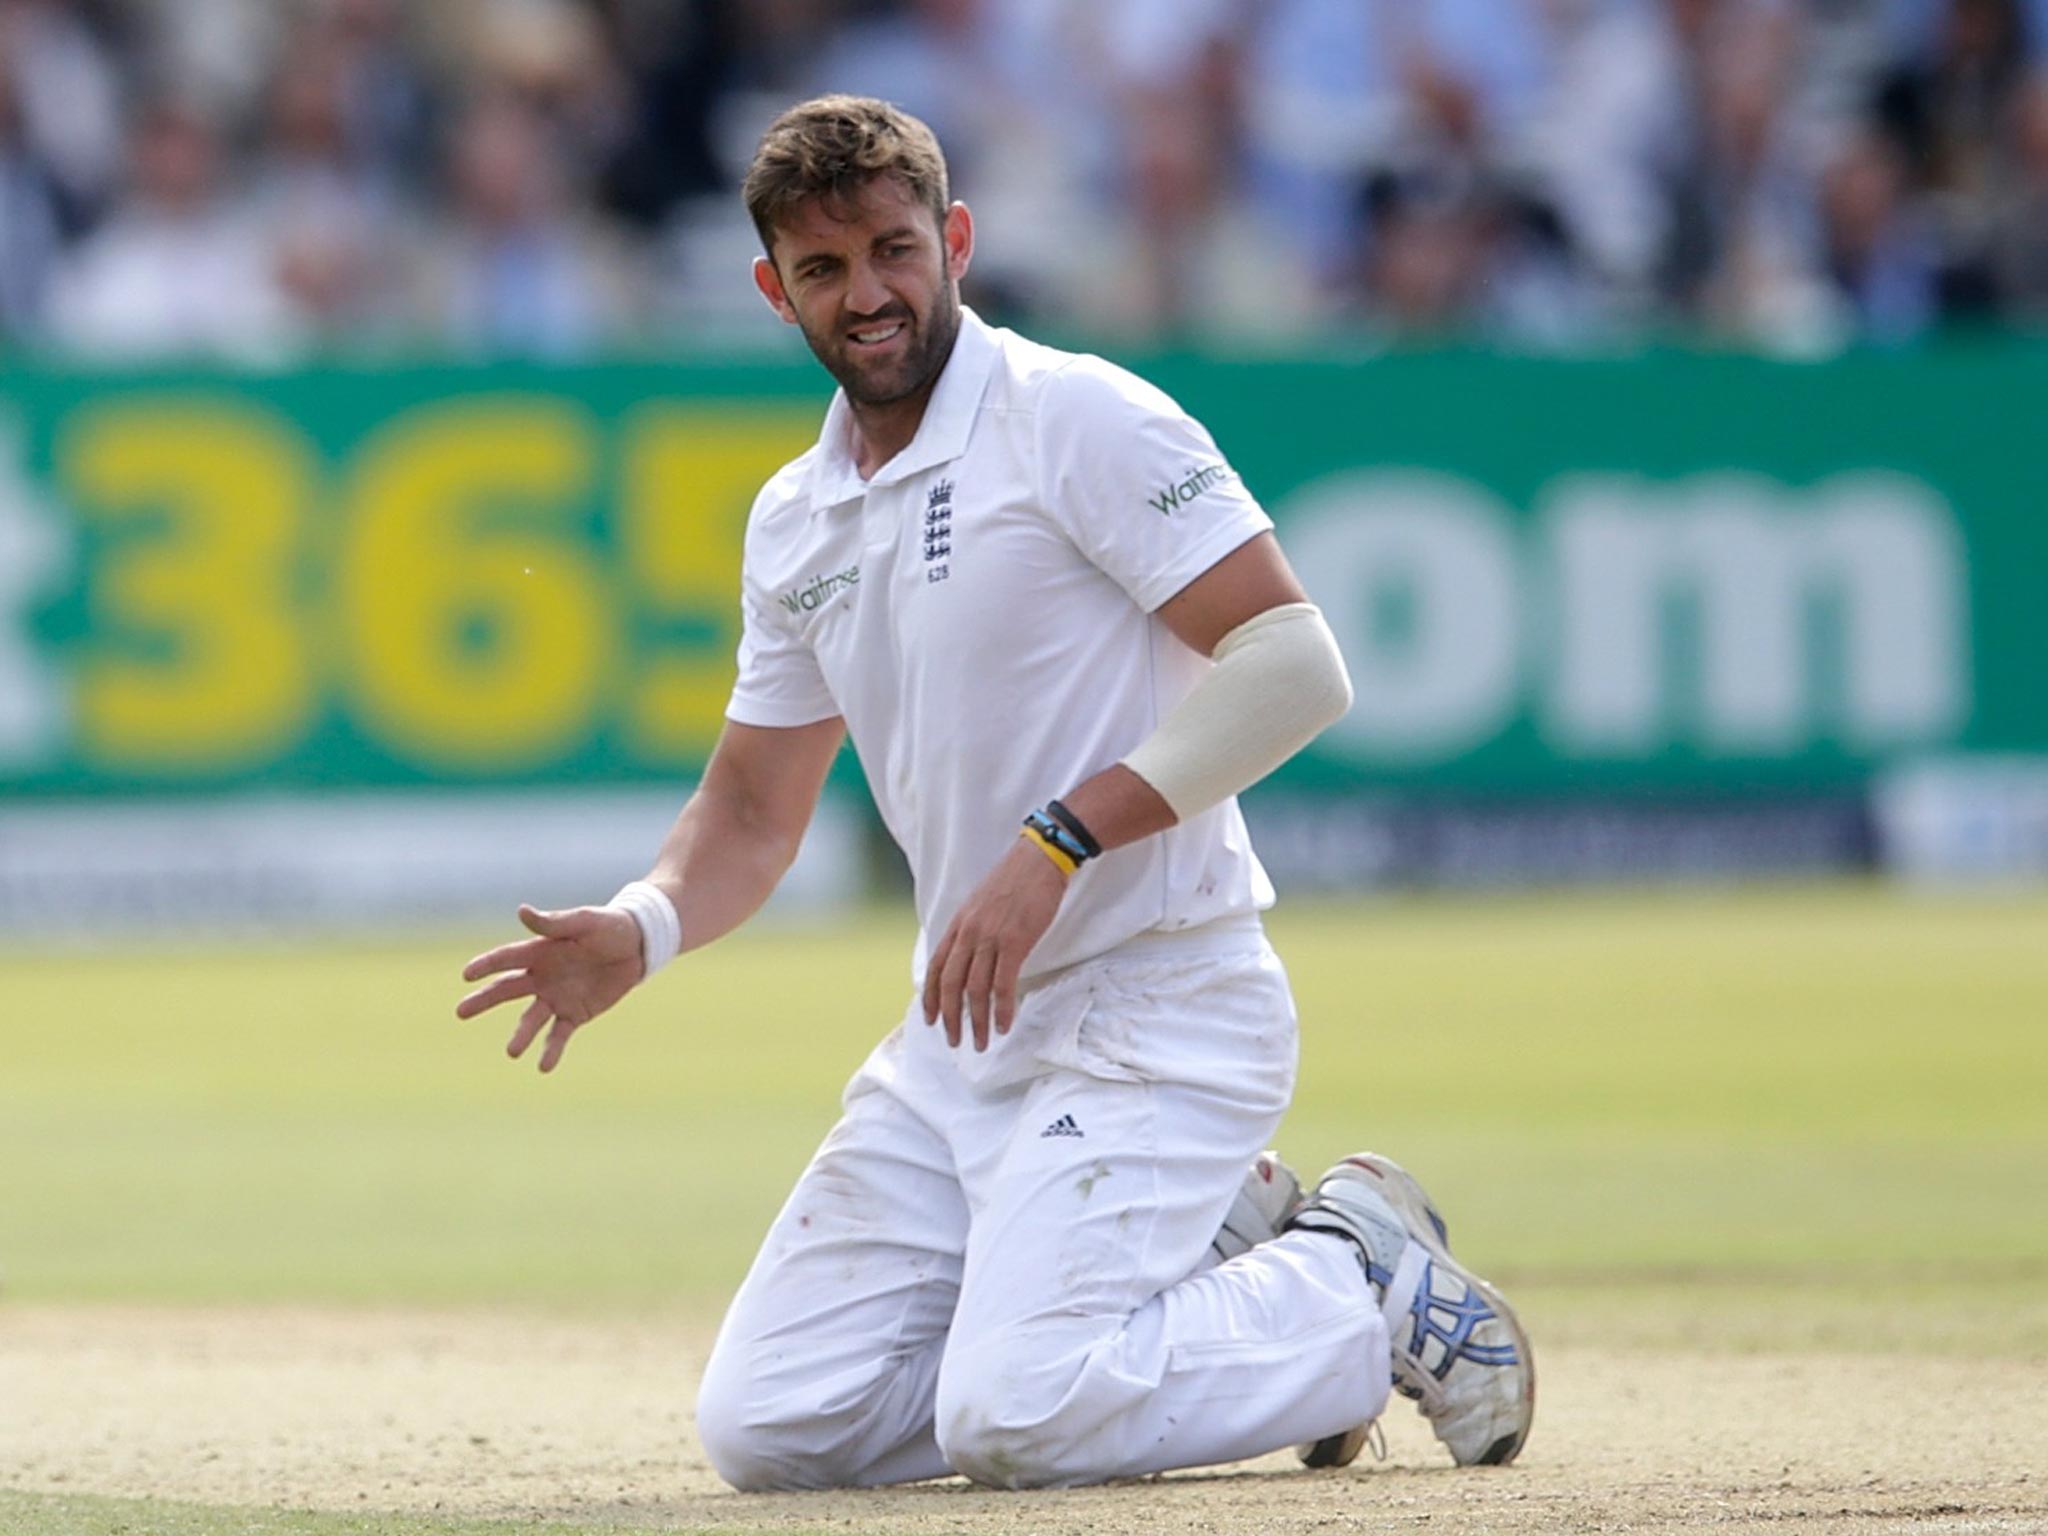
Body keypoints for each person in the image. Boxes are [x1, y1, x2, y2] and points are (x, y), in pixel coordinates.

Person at [457, 94, 1533, 1491]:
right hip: (961, 1036)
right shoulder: (797, 517)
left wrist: (1061, 840)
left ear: (954, 238)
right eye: (827, 271)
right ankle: (1216, 1287)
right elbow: (749, 811)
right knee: (773, 1428)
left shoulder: (1070, 417)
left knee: (1011, 1416)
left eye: (895, 250)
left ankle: (1355, 1283)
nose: (871, 295)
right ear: (773, 290)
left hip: (1161, 999)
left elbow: (1294, 662)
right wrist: (644, 925)